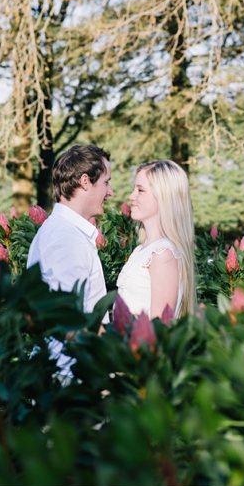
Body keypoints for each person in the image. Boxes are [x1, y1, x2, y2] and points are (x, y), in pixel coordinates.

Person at [27, 145, 113, 374]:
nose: (110, 192)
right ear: (85, 181)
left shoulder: (63, 232)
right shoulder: (65, 238)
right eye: (106, 182)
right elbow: (68, 322)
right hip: (68, 375)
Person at [117, 160, 196, 319]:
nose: (132, 196)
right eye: (134, 189)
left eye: (140, 190)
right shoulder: (142, 250)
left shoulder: (163, 253)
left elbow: (160, 326)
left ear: (163, 196)